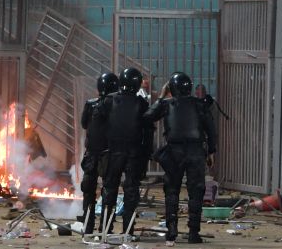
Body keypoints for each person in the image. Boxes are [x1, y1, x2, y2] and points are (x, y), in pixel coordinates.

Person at [144, 72, 216, 244]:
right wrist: (211, 152)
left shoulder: (167, 104)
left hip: (174, 151)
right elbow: (211, 130)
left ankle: (172, 230)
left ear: (172, 88)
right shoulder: (199, 104)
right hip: (196, 151)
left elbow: (147, 117)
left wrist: (161, 96)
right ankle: (193, 233)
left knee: (172, 190)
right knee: (196, 192)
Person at [100, 68, 150, 235]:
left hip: (113, 151)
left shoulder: (108, 101)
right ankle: (128, 231)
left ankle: (105, 228)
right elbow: (147, 132)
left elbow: (97, 126)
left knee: (109, 189)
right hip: (134, 153)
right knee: (131, 191)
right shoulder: (142, 104)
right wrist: (146, 156)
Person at [80, 72, 119, 234]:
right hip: (109, 153)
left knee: (89, 190)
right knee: (108, 190)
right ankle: (105, 227)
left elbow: (84, 124)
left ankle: (88, 225)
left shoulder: (91, 104)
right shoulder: (118, 104)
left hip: (92, 153)